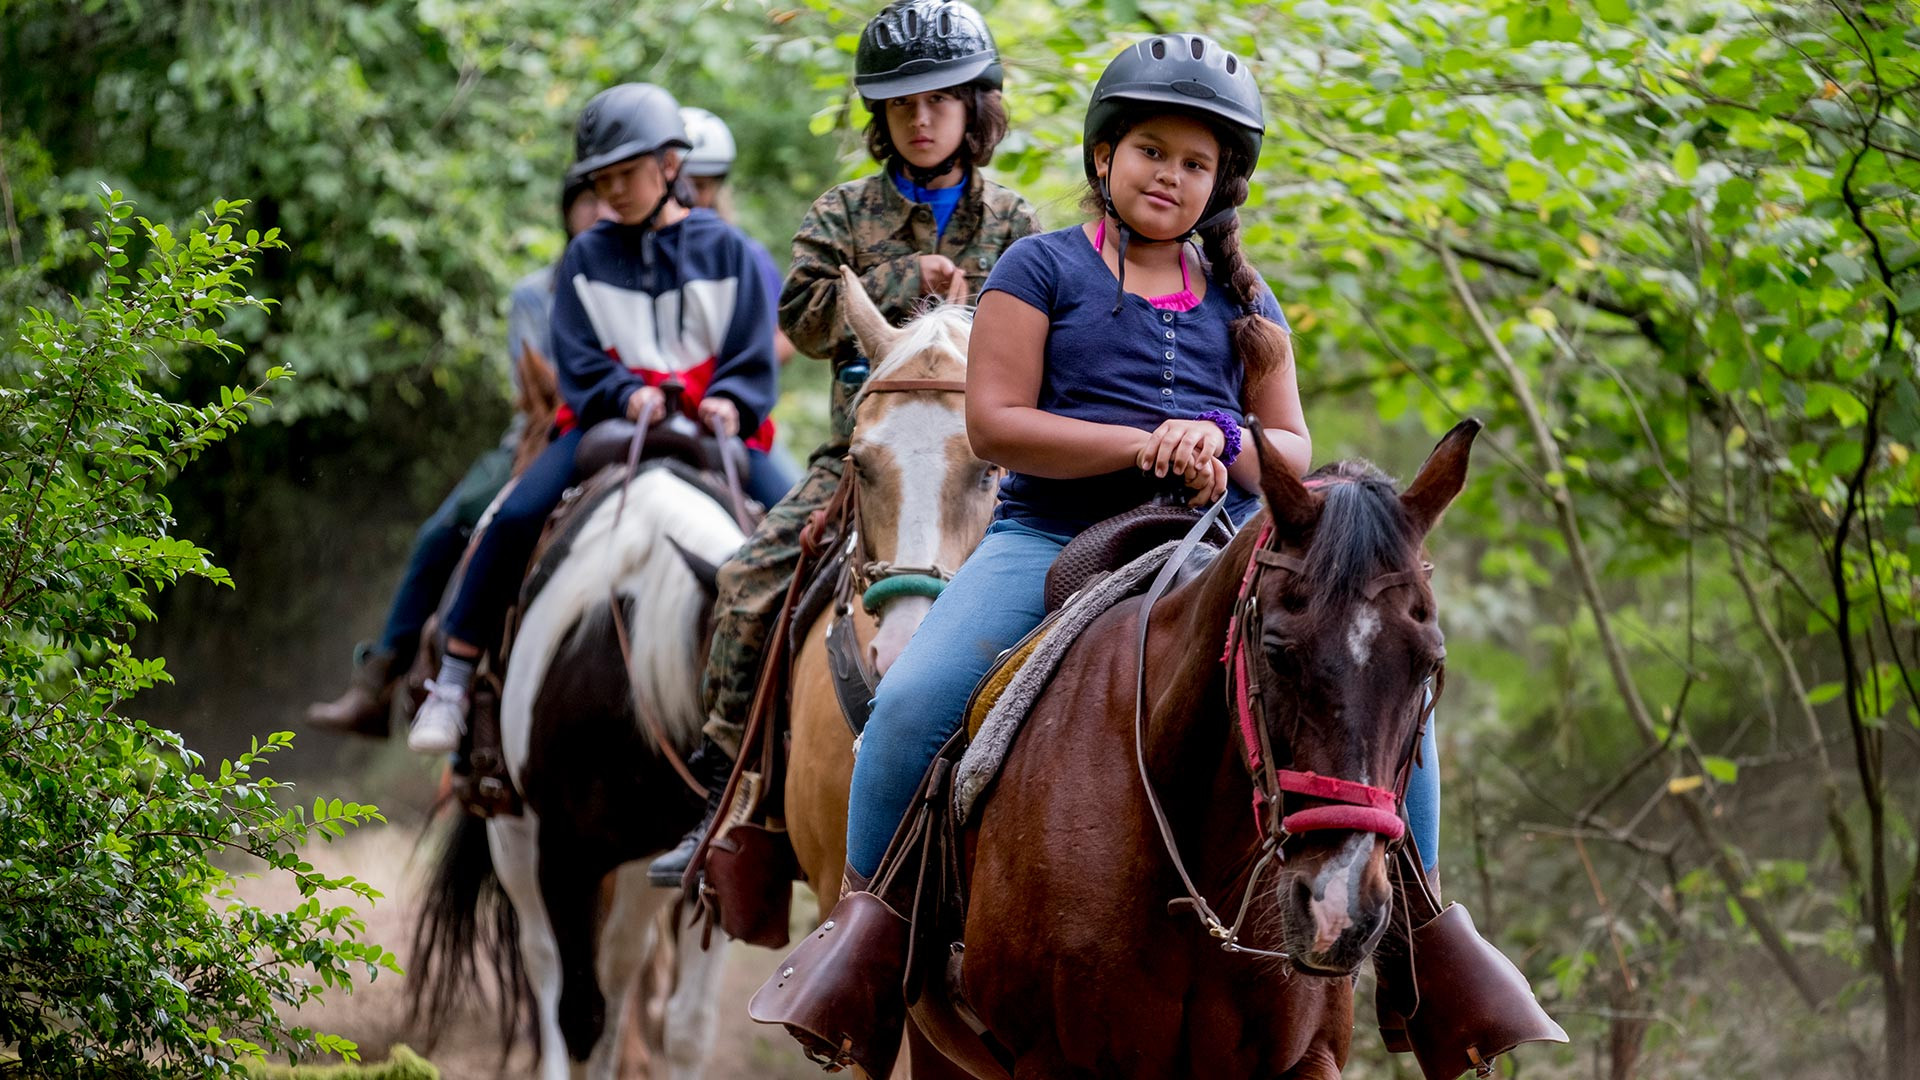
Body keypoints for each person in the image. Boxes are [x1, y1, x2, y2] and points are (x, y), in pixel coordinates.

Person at [648, 0, 1041, 887]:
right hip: (860, 462)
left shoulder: (1017, 223)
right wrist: (908, 279)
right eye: (903, 104)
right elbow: (801, 315)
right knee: (749, 579)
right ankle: (729, 794)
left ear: (974, 107)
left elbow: (1051, 339)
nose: (923, 116)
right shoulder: (842, 211)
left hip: (987, 466)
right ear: (882, 118)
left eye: (941, 99)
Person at [407, 82, 783, 754]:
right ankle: (454, 679)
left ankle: (797, 690)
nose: (611, 192)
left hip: (715, 424)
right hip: (608, 426)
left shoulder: (727, 250)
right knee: (512, 515)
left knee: (801, 524)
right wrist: (620, 391)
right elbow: (576, 360)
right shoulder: (586, 255)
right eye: (601, 179)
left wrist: (733, 394)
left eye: (626, 175)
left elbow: (754, 347)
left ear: (671, 166)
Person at [304, 177, 606, 736]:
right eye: (587, 198)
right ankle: (381, 678)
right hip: (541, 436)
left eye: (607, 196)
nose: (599, 208)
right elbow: (538, 382)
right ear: (567, 212)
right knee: (447, 528)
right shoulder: (535, 294)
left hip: (629, 427)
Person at [680, 104, 802, 506]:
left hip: (730, 419)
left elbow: (785, 332)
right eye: (683, 181)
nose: (692, 194)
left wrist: (741, 367)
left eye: (703, 183)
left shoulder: (744, 254)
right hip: (655, 412)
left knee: (800, 516)